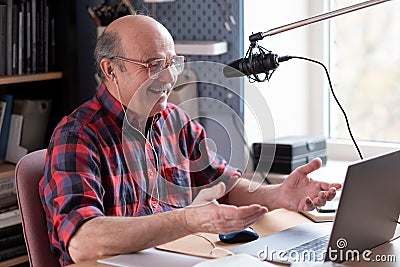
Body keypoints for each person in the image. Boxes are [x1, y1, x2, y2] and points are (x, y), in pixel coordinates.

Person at [39, 15, 341, 266]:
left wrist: (277, 195)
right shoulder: (77, 136)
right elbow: (82, 242)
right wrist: (188, 221)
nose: (170, 78)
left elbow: (223, 184)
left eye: (173, 62)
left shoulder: (175, 121)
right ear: (110, 69)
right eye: (154, 64)